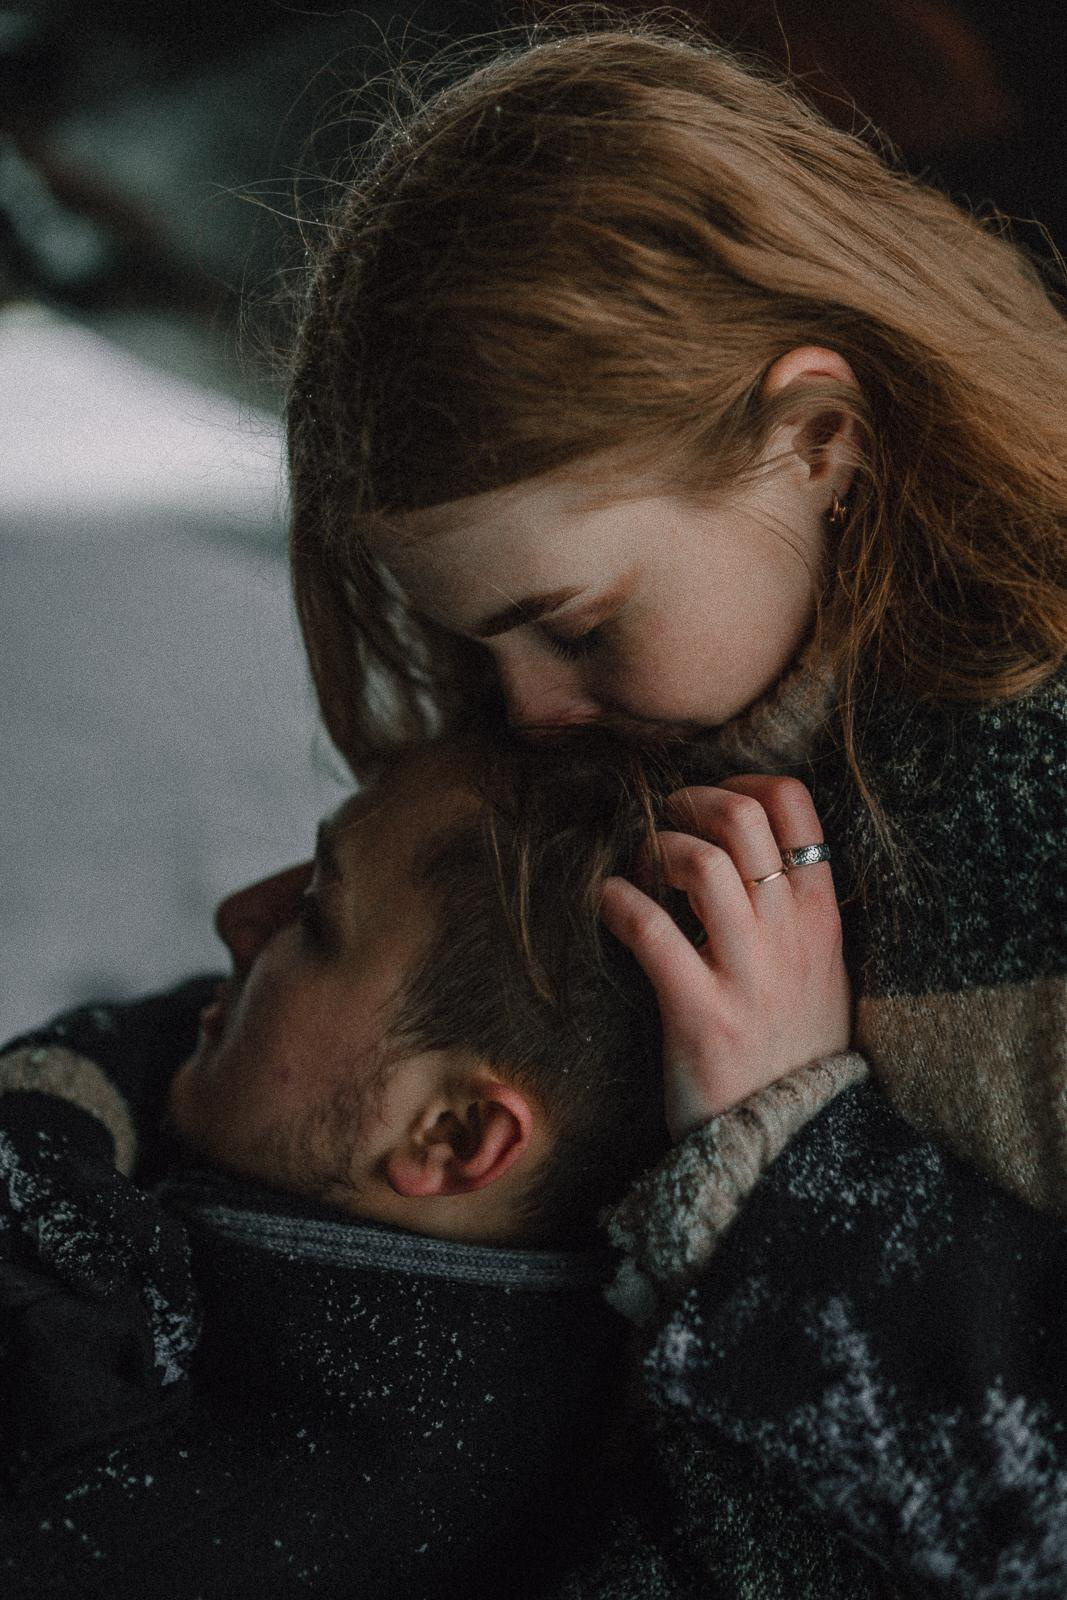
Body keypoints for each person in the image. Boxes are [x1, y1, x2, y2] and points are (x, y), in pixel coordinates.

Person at [281, 11, 1067, 1593]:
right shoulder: (666, 743)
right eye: (468, 635)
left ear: (816, 443)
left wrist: (793, 1157)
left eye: (572, 621)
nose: (521, 711)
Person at [0, 735, 683, 1599]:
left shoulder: (203, 1522)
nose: (239, 915)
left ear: (452, 1138)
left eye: (316, 922)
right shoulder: (270, 1130)